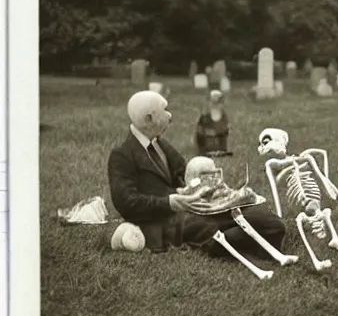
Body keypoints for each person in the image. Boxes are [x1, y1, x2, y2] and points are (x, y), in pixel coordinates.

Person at [107, 90, 286, 255]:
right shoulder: (122, 155)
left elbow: (186, 173)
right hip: (167, 219)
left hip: (193, 207)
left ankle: (241, 237)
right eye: (165, 110)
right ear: (149, 119)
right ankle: (228, 242)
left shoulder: (159, 144)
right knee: (222, 225)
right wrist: (170, 202)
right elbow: (126, 202)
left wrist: (211, 189)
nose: (170, 116)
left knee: (259, 216)